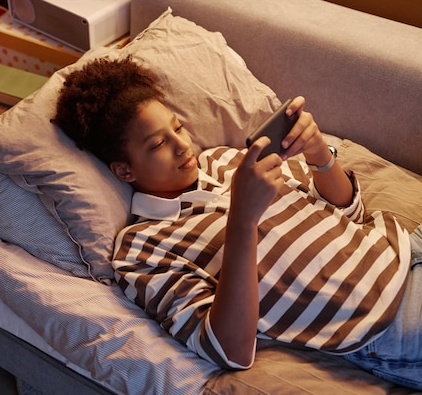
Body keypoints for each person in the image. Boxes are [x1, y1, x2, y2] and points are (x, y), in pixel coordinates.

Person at [52, 57, 421, 390]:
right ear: (123, 170)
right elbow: (229, 349)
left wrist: (319, 155)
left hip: (403, 247)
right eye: (156, 145)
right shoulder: (141, 250)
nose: (182, 146)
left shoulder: (226, 161)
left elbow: (347, 214)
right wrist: (242, 220)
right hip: (384, 315)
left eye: (178, 128)